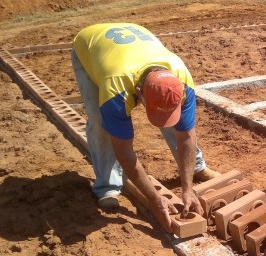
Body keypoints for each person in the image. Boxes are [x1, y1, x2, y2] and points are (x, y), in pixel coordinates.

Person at [71, 23, 221, 232]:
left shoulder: (182, 80)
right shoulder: (116, 88)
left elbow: (186, 136)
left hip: (132, 44)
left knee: (175, 119)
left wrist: (188, 188)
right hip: (90, 46)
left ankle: (196, 167)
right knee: (101, 124)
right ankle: (107, 186)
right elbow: (124, 151)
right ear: (139, 93)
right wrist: (154, 198)